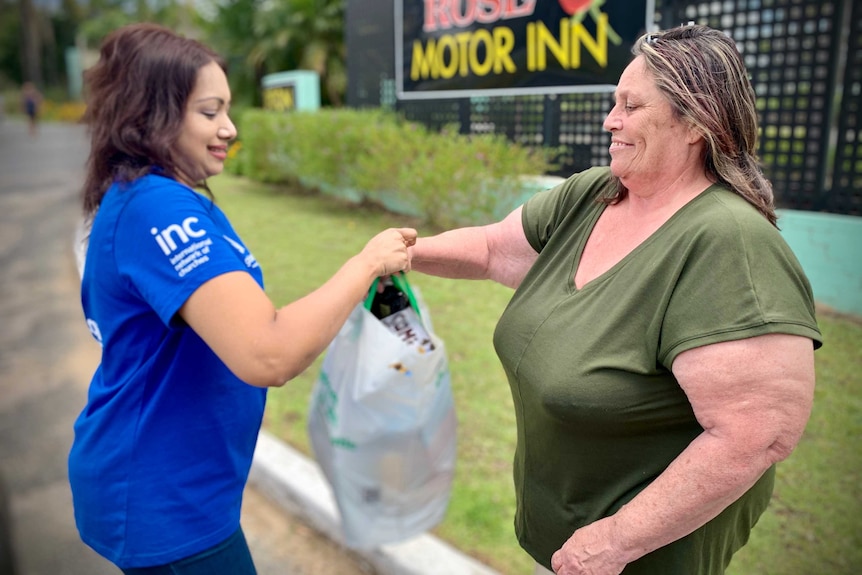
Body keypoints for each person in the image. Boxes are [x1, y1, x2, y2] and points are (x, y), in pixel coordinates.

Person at [409, 24, 821, 575]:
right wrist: (400, 253)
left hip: (634, 557)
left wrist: (617, 541)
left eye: (630, 106)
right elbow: (491, 249)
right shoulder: (597, 193)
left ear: (696, 122)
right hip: (565, 544)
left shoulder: (728, 242)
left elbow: (756, 434)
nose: (610, 120)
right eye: (613, 104)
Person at [67, 23, 416, 575]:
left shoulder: (164, 196)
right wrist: (366, 264)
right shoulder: (158, 207)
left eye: (227, 110)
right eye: (210, 112)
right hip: (164, 499)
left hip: (179, 484)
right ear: (151, 113)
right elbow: (268, 351)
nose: (229, 128)